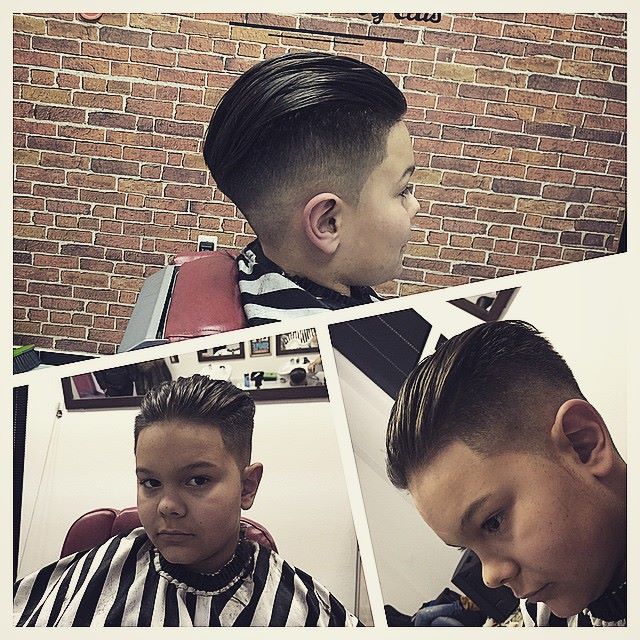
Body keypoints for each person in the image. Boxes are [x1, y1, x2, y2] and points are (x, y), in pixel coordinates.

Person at [14, 375, 360, 627]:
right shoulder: (97, 570)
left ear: (247, 487)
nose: (167, 506)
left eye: (197, 481)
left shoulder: (304, 609)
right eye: (150, 482)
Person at [385, 320, 626, 627]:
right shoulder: (541, 613)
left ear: (583, 444)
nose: (490, 577)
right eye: (468, 548)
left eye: (493, 522)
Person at [203, 52, 420, 325]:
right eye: (402, 191)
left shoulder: (264, 262)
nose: (414, 206)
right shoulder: (336, 341)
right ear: (328, 223)